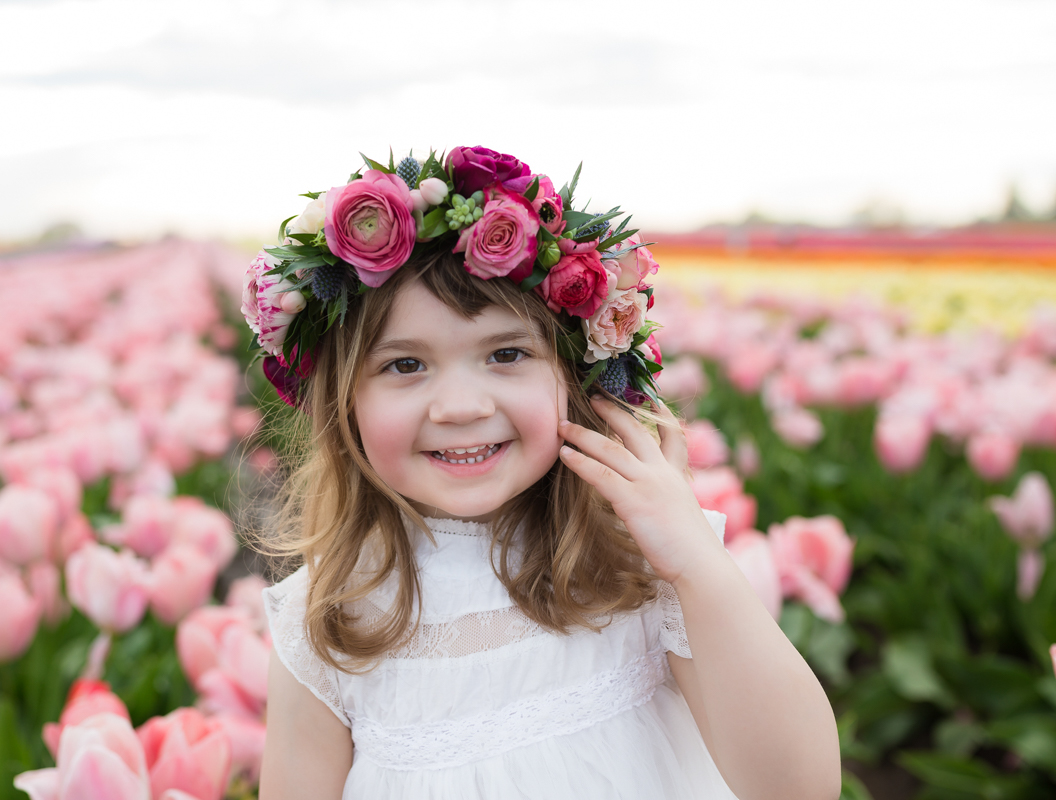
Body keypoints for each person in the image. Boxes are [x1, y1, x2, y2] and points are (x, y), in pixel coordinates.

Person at [243, 147, 841, 800]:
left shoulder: (638, 569)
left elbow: (799, 788)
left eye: (506, 353)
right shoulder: (327, 623)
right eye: (405, 365)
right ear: (344, 403)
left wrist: (696, 565)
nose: (462, 406)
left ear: (574, 376)